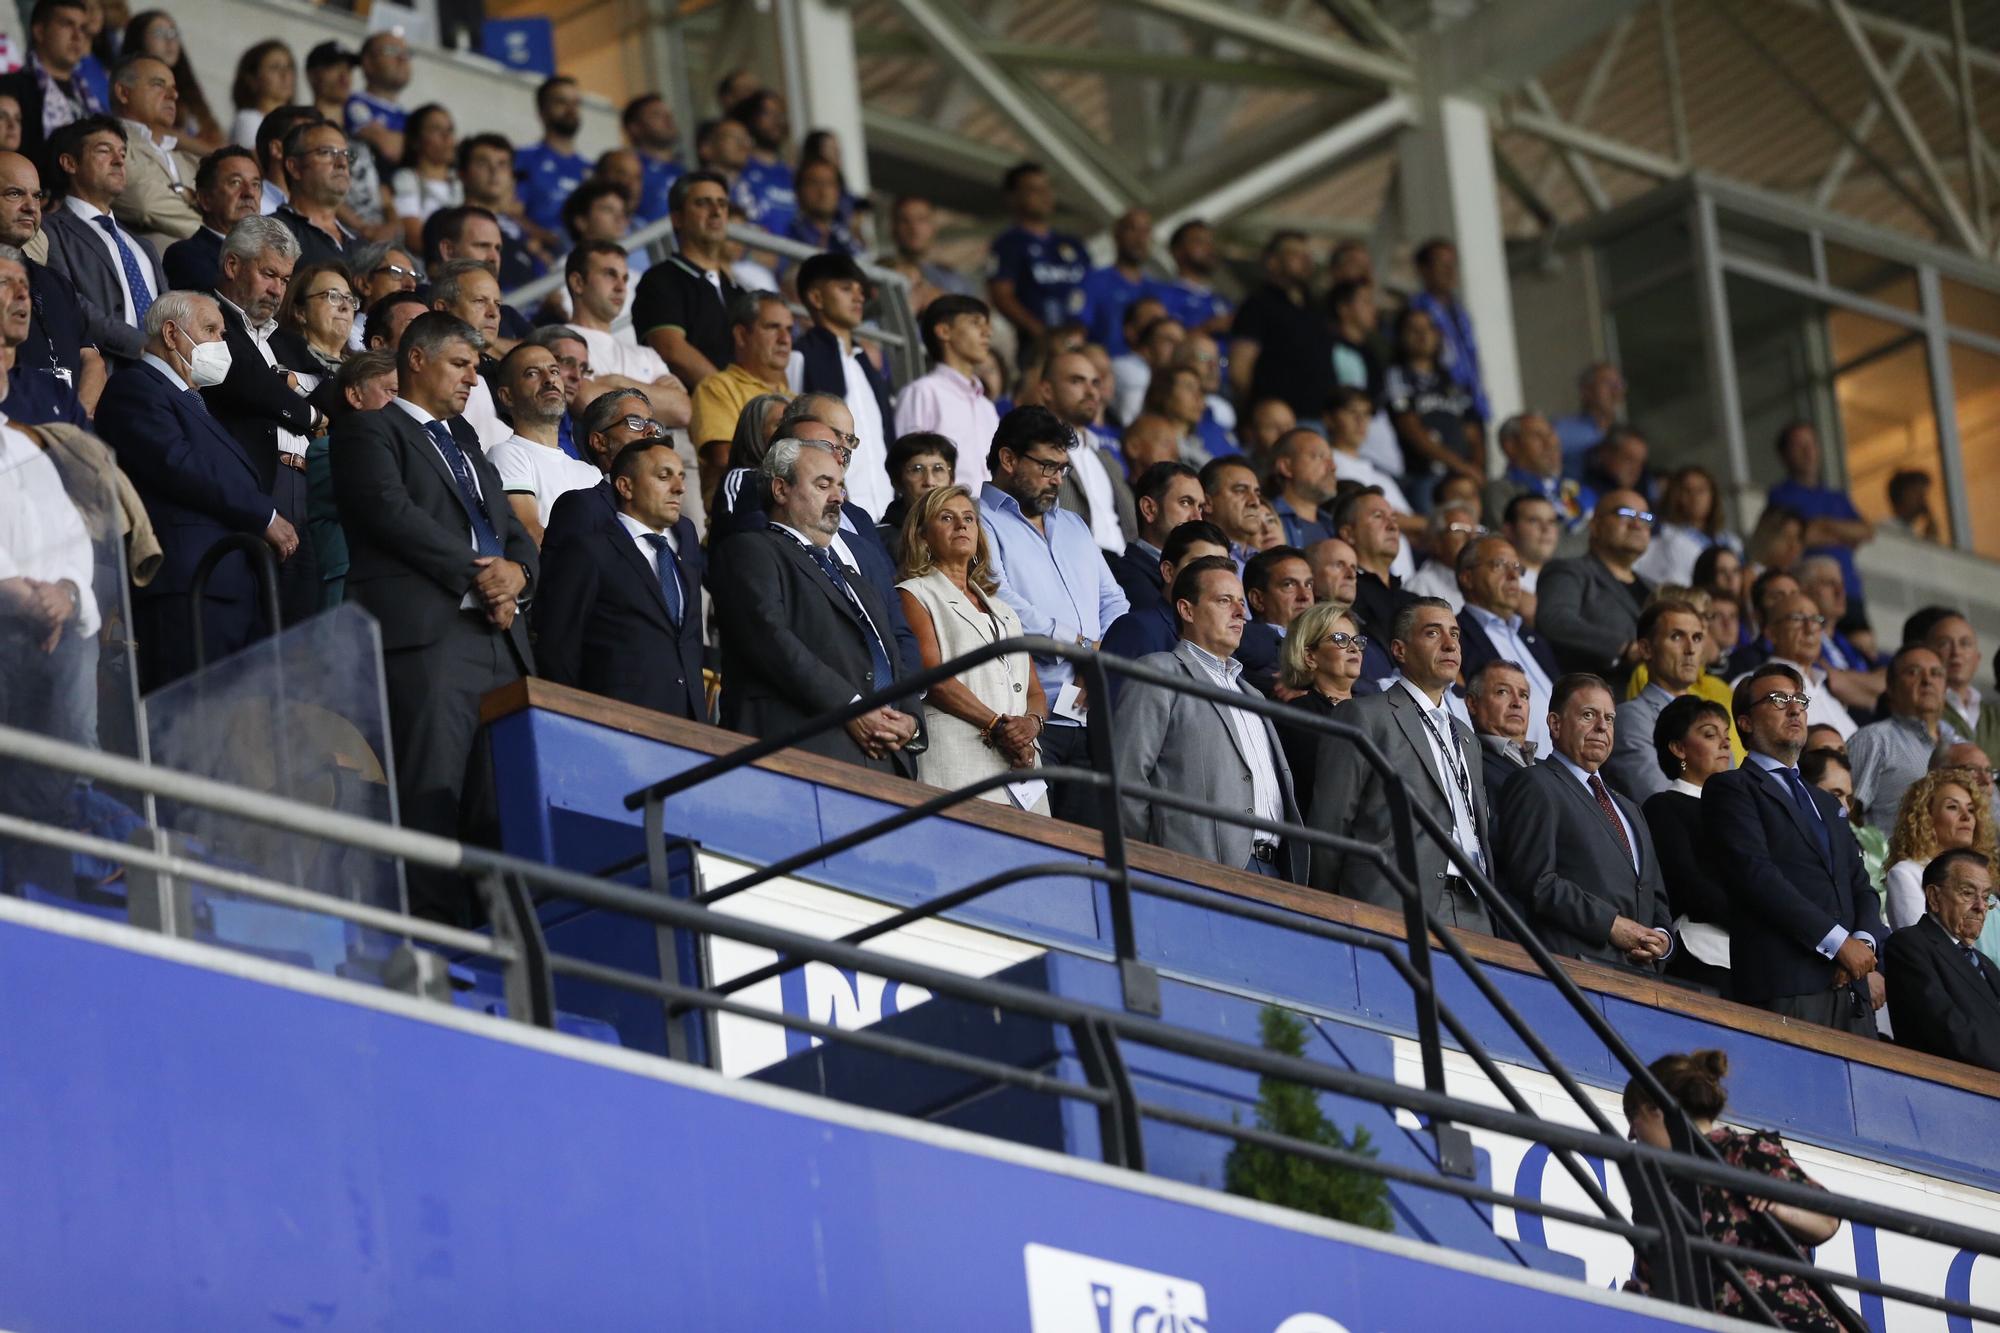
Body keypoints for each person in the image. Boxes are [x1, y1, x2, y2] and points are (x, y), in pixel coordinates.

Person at [330, 311, 535, 921]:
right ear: (415, 360)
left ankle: (497, 940)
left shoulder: (469, 442)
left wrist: (518, 574)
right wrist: (483, 573)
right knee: (431, 795)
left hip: (502, 641)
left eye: (476, 367)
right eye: (460, 364)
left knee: (501, 805)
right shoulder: (370, 429)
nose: (474, 379)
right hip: (431, 639)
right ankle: (437, 945)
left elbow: (513, 534)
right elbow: (390, 514)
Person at [96, 290, 294, 689]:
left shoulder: (194, 401)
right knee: (190, 726)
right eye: (211, 330)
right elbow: (179, 465)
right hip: (190, 585)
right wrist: (264, 515)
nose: (222, 344)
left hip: (229, 584)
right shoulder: (134, 388)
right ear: (171, 334)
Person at [714, 433, 921, 774]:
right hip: (804, 755)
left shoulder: (854, 577)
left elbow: (894, 656)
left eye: (840, 486)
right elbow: (772, 641)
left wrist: (911, 721)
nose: (838, 497)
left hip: (887, 760)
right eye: (823, 484)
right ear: (781, 490)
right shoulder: (751, 549)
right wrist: (850, 708)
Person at [1705, 663, 1884, 1034]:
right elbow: (1757, 877)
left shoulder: (1825, 801)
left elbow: (1859, 884)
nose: (1795, 708)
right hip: (1786, 986)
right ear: (1746, 722)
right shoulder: (1732, 788)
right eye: (1778, 699)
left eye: (1800, 699)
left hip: (1850, 987)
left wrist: (1861, 946)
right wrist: (1837, 943)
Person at [980, 405, 1129, 824]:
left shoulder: (1075, 526)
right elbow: (998, 598)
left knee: (1088, 850)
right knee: (1031, 841)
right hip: (1028, 711)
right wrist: (1081, 648)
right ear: (1008, 459)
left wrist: (1097, 656)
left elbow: (1115, 602)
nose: (1056, 479)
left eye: (1062, 469)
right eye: (1047, 466)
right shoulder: (976, 519)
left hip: (1090, 710)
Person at [1621, 1050, 1843, 1330]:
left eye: (1633, 1116)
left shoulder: (1744, 1152)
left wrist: (1778, 1208)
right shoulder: (1656, 1193)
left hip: (1781, 1320)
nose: (1631, 1133)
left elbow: (1827, 1220)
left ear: (1658, 1109)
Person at [1114, 556, 1304, 879]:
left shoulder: (1253, 695)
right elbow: (1126, 778)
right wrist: (1151, 862)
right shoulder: (1159, 671)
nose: (1240, 612)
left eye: (1241, 603)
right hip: (1193, 870)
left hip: (1274, 870)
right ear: (1187, 610)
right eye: (1224, 601)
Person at [1310, 597, 1493, 931]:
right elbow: (1330, 823)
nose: (1451, 644)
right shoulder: (1364, 715)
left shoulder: (1467, 737)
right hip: (1394, 903)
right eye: (1433, 634)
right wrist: (1330, 908)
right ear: (1399, 650)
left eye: (1455, 634)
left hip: (1474, 908)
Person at [1495, 671, 1673, 971]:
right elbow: (1536, 882)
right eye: (1588, 715)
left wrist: (1663, 940)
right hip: (1575, 972)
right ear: (1555, 724)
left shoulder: (1630, 807)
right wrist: (1611, 925)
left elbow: (1655, 895)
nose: (1602, 727)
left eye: (1610, 718)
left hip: (1642, 982)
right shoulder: (1535, 783)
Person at [894, 483, 1047, 811]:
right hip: (957, 760)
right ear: (922, 536)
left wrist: (1030, 725)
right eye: (946, 518)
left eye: (968, 518)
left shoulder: (1003, 609)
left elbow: (1034, 690)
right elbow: (932, 677)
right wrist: (999, 726)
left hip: (1022, 764)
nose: (961, 525)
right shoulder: (914, 593)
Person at [533, 435, 704, 723]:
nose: (679, 488)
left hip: (687, 727)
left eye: (681, 477)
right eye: (664, 476)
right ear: (625, 486)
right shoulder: (590, 551)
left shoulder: (683, 551)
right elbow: (557, 648)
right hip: (615, 726)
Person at [201, 214, 320, 625]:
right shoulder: (206, 319)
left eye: (286, 280)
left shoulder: (288, 341)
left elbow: (334, 390)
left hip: (308, 487)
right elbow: (244, 381)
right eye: (269, 274)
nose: (278, 290)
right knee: (255, 627)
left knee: (304, 630)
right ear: (233, 265)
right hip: (254, 487)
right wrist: (308, 409)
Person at [41, 115, 161, 365]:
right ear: (69, 163)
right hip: (104, 373)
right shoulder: (50, 230)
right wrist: (144, 346)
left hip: (162, 377)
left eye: (122, 153)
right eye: (104, 151)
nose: (119, 160)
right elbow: (68, 301)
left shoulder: (142, 245)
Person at [1641, 695, 1738, 994]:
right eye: (1710, 734)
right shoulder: (1664, 806)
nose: (1725, 743)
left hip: (1751, 958)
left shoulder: (1742, 811)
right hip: (1703, 954)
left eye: (1726, 735)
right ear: (1678, 748)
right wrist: (1753, 923)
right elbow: (1688, 884)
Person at [790, 252, 892, 520]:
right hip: (835, 512)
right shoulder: (800, 356)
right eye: (846, 289)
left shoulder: (865, 363)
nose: (859, 297)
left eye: (860, 290)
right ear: (816, 298)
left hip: (885, 510)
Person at [1884, 849, 2000, 1071]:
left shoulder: (1986, 964)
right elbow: (1947, 1029)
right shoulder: (1910, 945)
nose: (1981, 906)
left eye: (1986, 898)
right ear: (1934, 897)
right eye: (1968, 893)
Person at [634, 171, 739, 389]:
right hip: (693, 412)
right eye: (703, 203)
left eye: (722, 204)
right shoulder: (660, 279)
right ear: (677, 218)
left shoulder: (739, 290)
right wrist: (729, 396)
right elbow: (670, 349)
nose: (716, 212)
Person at [1536, 488, 1654, 680]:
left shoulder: (1655, 589)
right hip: (1599, 698)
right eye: (1626, 514)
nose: (1637, 524)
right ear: (1595, 525)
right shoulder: (1569, 571)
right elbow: (1555, 620)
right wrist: (1623, 647)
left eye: (1646, 518)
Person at [488, 343, 600, 543]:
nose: (549, 380)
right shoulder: (507, 454)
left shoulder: (590, 472)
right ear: (507, 396)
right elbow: (530, 533)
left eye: (554, 371)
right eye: (532, 373)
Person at [1457, 535, 1557, 757]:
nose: (1513, 576)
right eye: (1500, 565)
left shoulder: (1534, 638)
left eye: (1517, 569)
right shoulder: (1456, 637)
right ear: (1467, 577)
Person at [1602, 599, 1709, 804]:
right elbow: (1661, 799)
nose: (1690, 649)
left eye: (1697, 638)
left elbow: (1734, 792)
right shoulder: (1631, 718)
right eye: (1677, 636)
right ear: (1646, 649)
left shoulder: (1710, 716)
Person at [1850, 645, 1959, 834]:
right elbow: (1846, 814)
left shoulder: (1961, 744)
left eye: (1936, 674)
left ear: (1945, 687)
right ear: (1890, 688)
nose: (1927, 681)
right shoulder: (1874, 740)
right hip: (1890, 861)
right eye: (1913, 672)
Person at [894, 293, 997, 493]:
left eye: (987, 324)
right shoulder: (923, 392)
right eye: (976, 323)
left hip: (987, 519)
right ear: (943, 331)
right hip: (942, 514)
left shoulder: (987, 406)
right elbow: (910, 468)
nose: (987, 332)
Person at [1273, 601, 1365, 816]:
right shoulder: (1297, 717)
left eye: (1357, 641)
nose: (1353, 648)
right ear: (1310, 657)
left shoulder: (1376, 709)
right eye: (1340, 639)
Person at [1229, 231, 1331, 425]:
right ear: (1272, 262)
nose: (1306, 260)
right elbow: (1240, 368)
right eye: (1295, 254)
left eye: (1308, 255)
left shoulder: (1314, 307)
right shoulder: (1257, 305)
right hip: (1279, 423)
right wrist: (1257, 414)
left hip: (1319, 419)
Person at [1383, 305, 1482, 505]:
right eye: (1413, 329)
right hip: (1424, 476)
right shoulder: (1397, 376)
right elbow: (1410, 428)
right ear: (1401, 336)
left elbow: (1473, 431)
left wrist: (1475, 470)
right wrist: (1460, 466)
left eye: (1428, 328)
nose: (1422, 335)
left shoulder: (1453, 382)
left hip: (1463, 478)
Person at [1770, 420, 1872, 611]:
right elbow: (1793, 538)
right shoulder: (1780, 495)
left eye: (1811, 444)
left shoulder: (1836, 497)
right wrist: (1843, 535)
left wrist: (1823, 524)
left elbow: (1867, 531)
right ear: (1785, 455)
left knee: (1863, 641)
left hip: (1849, 588)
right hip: (1811, 591)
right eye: (1799, 445)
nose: (1808, 451)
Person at [1098, 519, 1230, 668]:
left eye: (1223, 571)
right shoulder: (1137, 630)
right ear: (1168, 571)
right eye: (1199, 566)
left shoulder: (1222, 642)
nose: (1215, 581)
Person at [1882, 767, 1994, 934]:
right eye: (1952, 807)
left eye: (1971, 809)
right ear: (1926, 817)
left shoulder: (1983, 875)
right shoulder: (1906, 873)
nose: (1967, 816)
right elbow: (1922, 946)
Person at [985, 162, 1087, 346]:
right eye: (1034, 189)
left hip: (1084, 340)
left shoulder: (1072, 243)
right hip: (1037, 347)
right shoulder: (1007, 244)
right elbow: (1001, 295)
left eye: (1047, 188)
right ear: (1013, 197)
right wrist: (1041, 333)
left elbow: (1092, 289)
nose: (1045, 195)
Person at [1041, 350, 1132, 555]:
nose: (1091, 392)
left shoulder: (1105, 457)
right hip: (1075, 565)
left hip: (1122, 571)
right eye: (1077, 381)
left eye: (1095, 383)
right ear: (1047, 390)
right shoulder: (1037, 453)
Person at [107, 53, 197, 251]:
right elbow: (142, 200)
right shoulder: (110, 145)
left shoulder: (189, 160)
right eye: (158, 84)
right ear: (123, 92)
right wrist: (213, 230)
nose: (173, 95)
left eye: (174, 88)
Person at [0, 0, 103, 170]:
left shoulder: (90, 94)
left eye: (83, 28)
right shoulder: (9, 88)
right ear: (40, 31)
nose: (78, 36)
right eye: (67, 24)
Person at [687, 288, 790, 450]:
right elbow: (724, 460)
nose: (785, 339)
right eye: (772, 327)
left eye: (789, 329)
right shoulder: (718, 388)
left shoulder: (795, 398)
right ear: (741, 335)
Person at [1106, 460, 1203, 611]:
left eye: (1200, 507)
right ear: (1149, 509)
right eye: (1185, 502)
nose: (1198, 517)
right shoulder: (1125, 578)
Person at [1408, 237, 1487, 420]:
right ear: (1423, 270)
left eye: (1452, 264)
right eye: (1441, 264)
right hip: (1440, 402)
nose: (1450, 271)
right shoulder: (1417, 310)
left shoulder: (1459, 311)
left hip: (1471, 399)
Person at [162, 144, 259, 292]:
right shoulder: (185, 255)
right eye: (236, 182)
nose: (250, 193)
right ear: (206, 199)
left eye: (256, 184)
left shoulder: (269, 254)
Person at [122, 11, 218, 155]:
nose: (169, 40)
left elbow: (215, 136)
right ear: (139, 39)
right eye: (159, 32)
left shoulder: (189, 90)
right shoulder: (130, 83)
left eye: (174, 33)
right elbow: (159, 133)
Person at [1481, 411, 1592, 532]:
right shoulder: (1501, 492)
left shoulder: (1570, 488)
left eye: (1551, 434)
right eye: (1537, 436)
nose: (1550, 444)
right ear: (1511, 446)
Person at [1634, 465, 1739, 589]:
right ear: (1675, 496)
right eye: (1687, 491)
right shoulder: (1664, 537)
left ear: (1713, 495)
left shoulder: (1732, 541)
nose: (1695, 497)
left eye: (1701, 490)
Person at [513, 75, 590, 238]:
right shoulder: (523, 159)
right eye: (561, 102)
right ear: (542, 112)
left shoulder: (591, 169)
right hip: (543, 258)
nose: (571, 110)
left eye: (575, 103)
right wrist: (549, 240)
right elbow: (511, 212)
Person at [273, 117, 355, 265]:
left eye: (346, 155)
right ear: (294, 167)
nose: (342, 163)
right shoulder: (271, 233)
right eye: (326, 152)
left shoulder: (361, 244)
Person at [1235, 544, 1312, 697]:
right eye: (1289, 584)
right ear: (1258, 599)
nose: (1305, 596)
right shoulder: (1243, 641)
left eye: (1309, 584)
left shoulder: (1331, 637)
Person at [1076, 206, 1153, 355]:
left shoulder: (1157, 290)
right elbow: (1076, 332)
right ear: (1116, 235)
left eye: (1145, 231)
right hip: (1103, 364)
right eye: (1132, 229)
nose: (1139, 238)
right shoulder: (1094, 281)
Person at [389, 104, 460, 254]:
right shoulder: (406, 178)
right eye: (436, 129)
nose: (446, 137)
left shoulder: (460, 183)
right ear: (415, 140)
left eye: (450, 130)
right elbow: (414, 238)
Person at [269, 258, 355, 381]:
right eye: (333, 296)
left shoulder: (365, 370)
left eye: (350, 299)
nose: (345, 306)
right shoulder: (283, 360)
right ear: (300, 312)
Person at [1467, 658, 1535, 811]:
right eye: (1502, 692)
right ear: (1472, 703)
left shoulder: (1547, 766)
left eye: (1524, 695)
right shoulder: (1468, 765)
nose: (1517, 703)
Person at [878, 431, 954, 558]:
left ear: (951, 479)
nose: (929, 481)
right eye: (917, 469)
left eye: (938, 469)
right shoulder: (880, 539)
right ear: (897, 481)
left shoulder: (967, 531)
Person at [1154, 218, 1232, 338]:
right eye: (1199, 241)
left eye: (1210, 242)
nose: (1209, 248)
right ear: (1177, 251)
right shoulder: (1162, 297)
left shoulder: (1223, 301)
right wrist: (1208, 328)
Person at [1401, 501, 1481, 612]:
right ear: (1436, 542)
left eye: (1474, 531)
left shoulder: (1480, 583)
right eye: (1459, 529)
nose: (1471, 537)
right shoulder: (1420, 586)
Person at [1551, 362, 1625, 480]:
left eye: (1619, 384)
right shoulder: (1560, 430)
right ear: (1586, 391)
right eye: (1607, 384)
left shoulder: (1625, 435)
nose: (1615, 391)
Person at [1266, 428, 1337, 549]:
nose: (1333, 467)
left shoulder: (1333, 526)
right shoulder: (1265, 520)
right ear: (1286, 467)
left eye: (1331, 458)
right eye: (1319, 456)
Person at [621, 93, 682, 225]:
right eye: (657, 115)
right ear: (634, 128)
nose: (668, 119)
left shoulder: (684, 170)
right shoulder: (625, 167)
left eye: (669, 114)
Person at [227, 39, 293, 150]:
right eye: (274, 67)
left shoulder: (299, 121)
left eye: (289, 67)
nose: (285, 75)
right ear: (252, 80)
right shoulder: (248, 119)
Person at [1885, 468, 1940, 542]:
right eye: (1917, 494)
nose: (1923, 500)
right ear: (1903, 495)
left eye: (1923, 495)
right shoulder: (1886, 530)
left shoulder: (1911, 533)